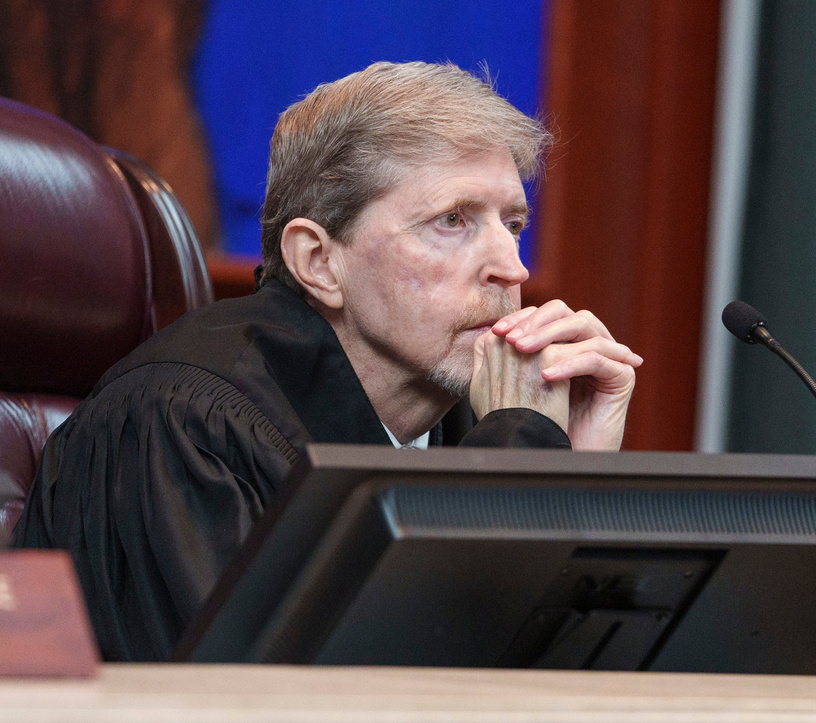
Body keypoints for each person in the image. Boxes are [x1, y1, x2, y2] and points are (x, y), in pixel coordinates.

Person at [12, 61, 641, 661]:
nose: (513, 268)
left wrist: (577, 487)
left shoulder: (468, 423)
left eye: (513, 223)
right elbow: (306, 702)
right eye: (452, 220)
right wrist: (521, 459)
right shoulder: (182, 425)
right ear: (318, 261)